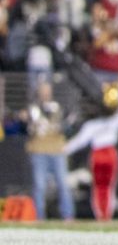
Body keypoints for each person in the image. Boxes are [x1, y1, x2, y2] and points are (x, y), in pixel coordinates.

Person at [23, 79, 74, 222]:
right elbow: (29, 129)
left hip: (56, 150)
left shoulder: (58, 108)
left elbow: (67, 126)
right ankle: (39, 217)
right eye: (43, 90)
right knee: (39, 185)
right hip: (39, 150)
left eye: (47, 90)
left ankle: (68, 216)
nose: (45, 93)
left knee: (63, 184)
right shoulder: (33, 108)